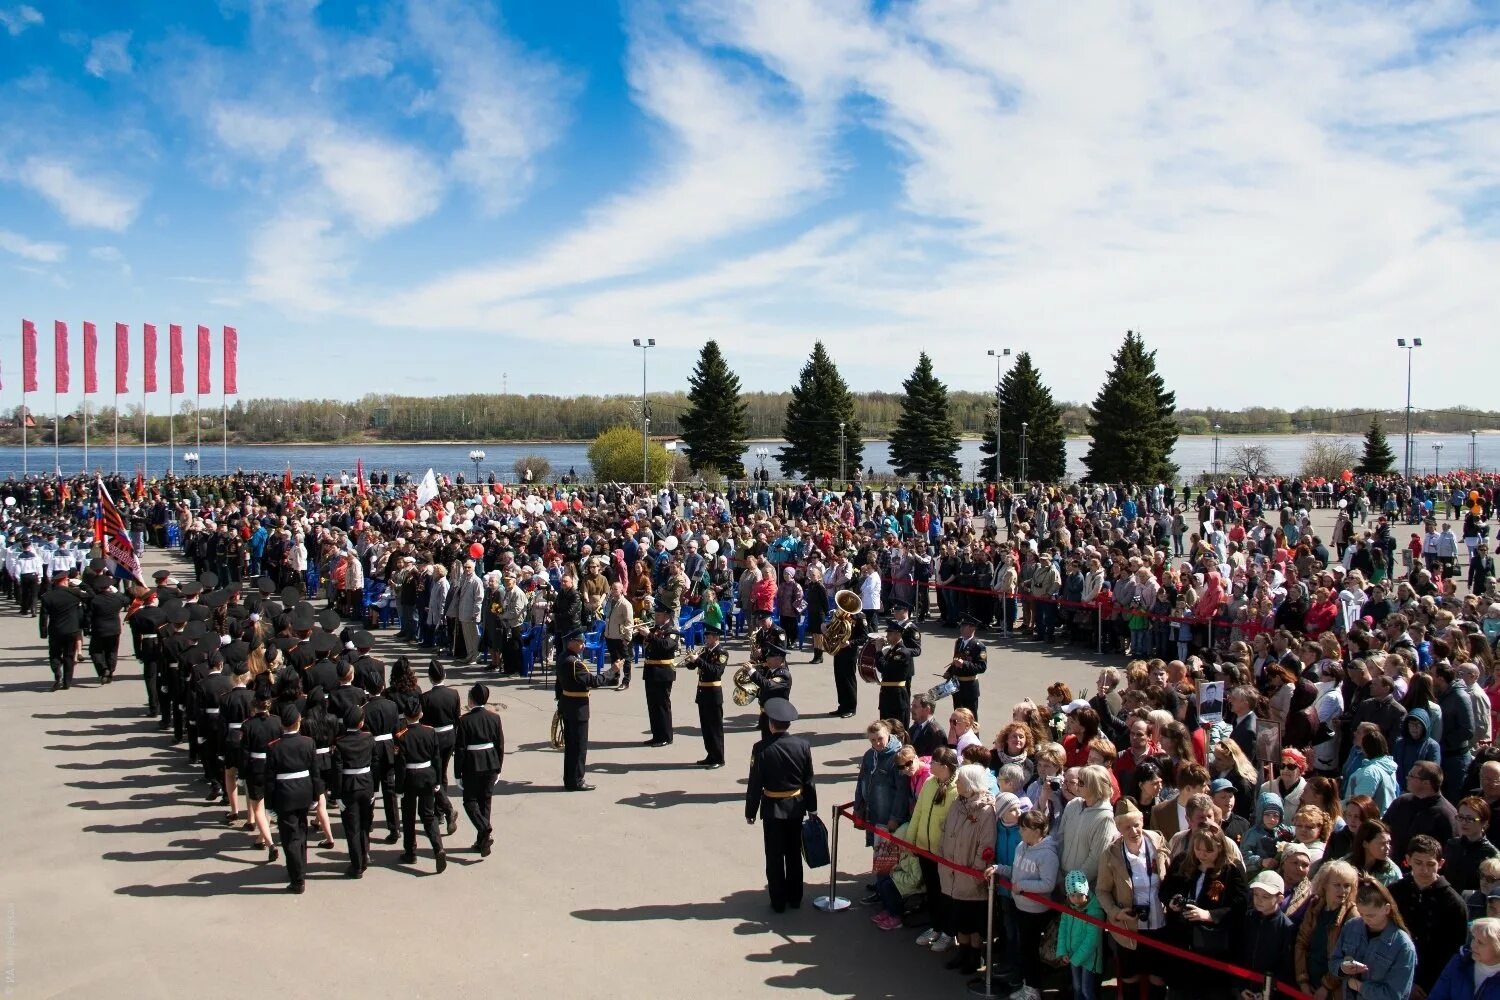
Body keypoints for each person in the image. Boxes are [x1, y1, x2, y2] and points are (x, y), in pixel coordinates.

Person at [745, 699, 816, 913]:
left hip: (772, 809)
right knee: (794, 854)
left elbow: (755, 783)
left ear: (771, 724)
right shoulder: (802, 745)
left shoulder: (760, 748)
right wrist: (812, 808)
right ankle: (795, 897)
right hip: (796, 807)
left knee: (774, 857)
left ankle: (778, 901)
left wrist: (751, 811)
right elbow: (808, 781)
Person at [1160, 828, 1246, 997]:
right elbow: (1165, 889)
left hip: (1212, 947)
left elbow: (1240, 905)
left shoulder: (1231, 869)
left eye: (1209, 851)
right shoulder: (1182, 861)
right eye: (1197, 849)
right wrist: (1171, 901)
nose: (1202, 855)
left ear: (1220, 847)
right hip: (1181, 940)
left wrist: (1209, 915)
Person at [1097, 798, 1169, 997]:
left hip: (1158, 922)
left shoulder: (1158, 841)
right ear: (1119, 828)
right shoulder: (1110, 853)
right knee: (1131, 977)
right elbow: (1102, 890)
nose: (1133, 831)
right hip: (1128, 927)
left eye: (1136, 825)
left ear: (1143, 822)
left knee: (1157, 977)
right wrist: (1116, 913)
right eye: (1127, 827)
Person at [1389, 835, 1470, 996]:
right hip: (1394, 975)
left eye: (1430, 864)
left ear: (1440, 864)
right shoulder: (1394, 892)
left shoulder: (1454, 903)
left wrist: (1423, 983)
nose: (1424, 870)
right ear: (1408, 860)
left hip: (1433, 983)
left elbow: (1454, 951)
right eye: (1418, 863)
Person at [940, 763, 998, 977]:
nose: (956, 783)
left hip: (970, 877)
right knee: (958, 920)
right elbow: (946, 829)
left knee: (973, 923)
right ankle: (962, 952)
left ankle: (975, 956)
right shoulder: (958, 802)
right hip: (952, 872)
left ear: (971, 784)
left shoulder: (985, 810)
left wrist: (976, 871)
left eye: (961, 781)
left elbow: (986, 844)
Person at [1330, 878, 1417, 1000]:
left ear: (1387, 909)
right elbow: (1334, 961)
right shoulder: (1351, 926)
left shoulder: (1403, 946)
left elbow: (1394, 995)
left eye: (1371, 915)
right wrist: (1342, 967)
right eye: (1361, 914)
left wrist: (1359, 987)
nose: (1365, 920)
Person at [265, 702, 320, 893]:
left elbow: (270, 780)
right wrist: (315, 796)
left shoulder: (274, 747)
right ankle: (300, 866)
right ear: (298, 722)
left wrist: (269, 804)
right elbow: (315, 774)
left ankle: (297, 878)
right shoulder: (308, 742)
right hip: (304, 792)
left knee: (290, 838)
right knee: (302, 830)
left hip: (285, 795)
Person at [1006, 807, 1060, 999]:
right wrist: (999, 869)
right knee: (1024, 948)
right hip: (1019, 905)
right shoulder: (1021, 846)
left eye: (1024, 828)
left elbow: (1047, 884)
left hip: (1035, 911)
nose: (1020, 831)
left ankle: (1032, 989)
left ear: (1037, 831)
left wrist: (1022, 886)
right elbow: (1015, 871)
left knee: (1030, 950)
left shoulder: (1047, 855)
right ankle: (1027, 984)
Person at [909, 746, 959, 950]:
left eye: (934, 763)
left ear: (944, 766)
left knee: (946, 894)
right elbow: (918, 813)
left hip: (943, 854)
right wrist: (911, 839)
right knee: (932, 891)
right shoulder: (930, 783)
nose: (930, 766)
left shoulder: (957, 790)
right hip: (924, 848)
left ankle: (948, 932)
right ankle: (936, 926)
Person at [393, 698, 446, 873]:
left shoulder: (402, 736)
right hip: (428, 777)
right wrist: (438, 781)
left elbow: (400, 766)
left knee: (408, 817)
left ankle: (410, 852)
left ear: (405, 716)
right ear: (421, 714)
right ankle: (438, 848)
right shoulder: (430, 732)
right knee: (428, 816)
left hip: (410, 778)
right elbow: (437, 759)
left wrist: (398, 788)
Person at [1295, 860, 1359, 1000]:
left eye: (1347, 886)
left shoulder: (1352, 915)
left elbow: (1349, 958)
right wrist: (1303, 980)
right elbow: (1302, 942)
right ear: (1324, 885)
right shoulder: (1315, 907)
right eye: (1337, 885)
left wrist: (1326, 987)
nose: (1343, 891)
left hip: (1335, 992)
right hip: (1309, 983)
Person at [454, 682, 504, 857]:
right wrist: (499, 767)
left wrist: (457, 772)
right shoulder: (494, 718)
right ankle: (483, 842)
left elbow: (460, 749)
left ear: (471, 700)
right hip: (490, 763)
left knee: (469, 801)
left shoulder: (464, 720)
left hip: (472, 764)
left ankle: (484, 829)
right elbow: (500, 745)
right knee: (485, 802)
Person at [1384, 760, 1459, 861]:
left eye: (1411, 776)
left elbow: (1449, 852)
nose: (1407, 778)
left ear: (1426, 783)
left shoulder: (1446, 814)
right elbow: (1383, 828)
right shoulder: (1401, 802)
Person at [420, 659, 461, 837]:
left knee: (434, 775)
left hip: (433, 738)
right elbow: (457, 718)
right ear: (444, 675)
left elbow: (423, 722)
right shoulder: (454, 694)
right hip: (449, 736)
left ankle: (442, 810)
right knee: (442, 773)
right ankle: (442, 811)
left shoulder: (426, 697)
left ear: (430, 678)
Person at [333, 704, 376, 878]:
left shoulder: (340, 742)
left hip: (349, 787)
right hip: (366, 785)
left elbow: (337, 772)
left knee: (352, 828)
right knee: (365, 825)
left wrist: (336, 795)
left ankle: (357, 865)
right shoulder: (368, 738)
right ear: (361, 723)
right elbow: (375, 763)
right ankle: (364, 855)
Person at [1241, 870, 1297, 995]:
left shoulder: (1287, 927)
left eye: (1265, 896)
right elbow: (1239, 952)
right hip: (1244, 987)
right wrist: (1240, 987)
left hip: (1269, 992)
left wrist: (1268, 993)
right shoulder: (1248, 918)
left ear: (1280, 898)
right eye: (1256, 895)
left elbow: (1285, 966)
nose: (1259, 900)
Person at [1427, 917, 1500, 1000]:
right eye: (1473, 938)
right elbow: (1437, 996)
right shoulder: (1459, 962)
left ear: (1497, 947)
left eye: (1480, 942)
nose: (1473, 945)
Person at [39, 570, 86, 690]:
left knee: (54, 654)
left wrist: (43, 632)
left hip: (55, 630)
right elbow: (91, 595)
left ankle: (57, 673)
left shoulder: (47, 596)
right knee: (69, 656)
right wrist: (81, 584)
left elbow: (44, 616)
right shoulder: (74, 593)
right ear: (65, 581)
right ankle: (67, 682)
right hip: (71, 630)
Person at [641, 605, 681, 747]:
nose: (655, 617)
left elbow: (665, 645)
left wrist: (649, 635)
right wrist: (639, 635)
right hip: (651, 671)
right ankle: (656, 735)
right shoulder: (655, 629)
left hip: (663, 672)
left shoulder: (673, 631)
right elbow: (645, 644)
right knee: (652, 705)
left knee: (662, 705)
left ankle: (666, 736)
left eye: (658, 615)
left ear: (666, 616)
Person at [689, 624, 728, 768]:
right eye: (705, 637)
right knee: (706, 727)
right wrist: (690, 659)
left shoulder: (721, 653)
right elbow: (692, 667)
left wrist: (698, 660)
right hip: (703, 693)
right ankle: (710, 755)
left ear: (716, 637)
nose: (706, 639)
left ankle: (719, 758)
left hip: (713, 693)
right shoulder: (705, 651)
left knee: (715, 728)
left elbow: (715, 672)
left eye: (708, 637)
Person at [1448, 797, 1500, 893]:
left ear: (1484, 824)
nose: (1463, 822)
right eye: (1460, 817)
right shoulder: (1451, 845)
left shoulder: (1492, 855)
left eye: (1470, 819)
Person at [85, 576, 126, 684]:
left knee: (95, 651)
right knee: (112, 652)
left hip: (99, 629)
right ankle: (110, 672)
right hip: (114, 629)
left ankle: (103, 669)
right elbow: (126, 600)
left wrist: (86, 627)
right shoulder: (116, 598)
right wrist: (117, 593)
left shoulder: (95, 600)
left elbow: (89, 616)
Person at [748, 645, 793, 741]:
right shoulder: (771, 671)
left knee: (772, 744)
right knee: (765, 741)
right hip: (766, 714)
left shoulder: (783, 674)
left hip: (776, 716)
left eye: (769, 657)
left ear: (778, 660)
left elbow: (768, 685)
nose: (766, 659)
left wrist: (752, 672)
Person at [875, 622, 914, 730]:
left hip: (896, 696)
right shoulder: (893, 650)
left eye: (889, 633)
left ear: (898, 634)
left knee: (897, 729)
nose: (887, 636)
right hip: (888, 694)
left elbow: (884, 668)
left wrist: (878, 651)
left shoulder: (901, 652)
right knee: (885, 728)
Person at [947, 614, 986, 718]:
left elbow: (982, 667)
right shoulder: (959, 642)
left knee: (970, 718)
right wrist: (949, 671)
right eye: (961, 626)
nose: (961, 628)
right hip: (957, 685)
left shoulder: (978, 646)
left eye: (964, 626)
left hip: (969, 686)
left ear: (972, 628)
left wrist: (965, 664)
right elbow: (955, 659)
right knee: (957, 716)